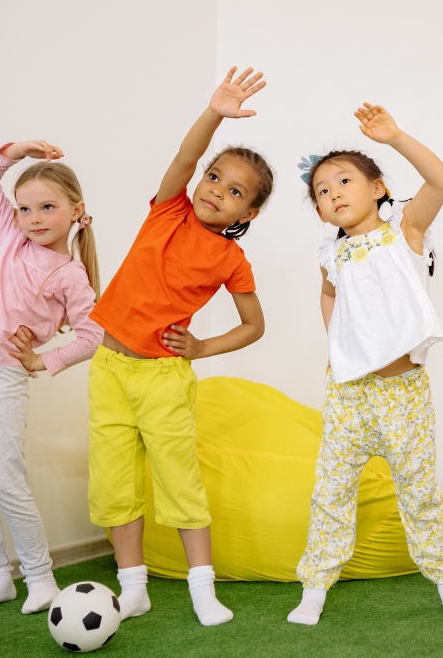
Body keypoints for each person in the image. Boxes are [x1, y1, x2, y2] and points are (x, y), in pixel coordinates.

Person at [86, 67, 274, 627]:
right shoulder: (168, 209)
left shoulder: (231, 260)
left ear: (249, 214)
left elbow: (253, 325)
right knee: (114, 482)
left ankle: (201, 590)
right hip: (109, 368)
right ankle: (133, 586)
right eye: (216, 178)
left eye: (235, 191)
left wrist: (200, 347)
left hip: (163, 378)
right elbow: (184, 160)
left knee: (178, 480)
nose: (216, 190)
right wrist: (215, 111)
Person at [288, 104, 443, 626]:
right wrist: (337, 348)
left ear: (377, 188)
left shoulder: (406, 233)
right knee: (331, 491)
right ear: (322, 212)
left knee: (418, 490)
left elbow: (440, 181)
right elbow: (328, 297)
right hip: (348, 393)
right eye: (322, 192)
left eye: (343, 181)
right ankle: (315, 586)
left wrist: (394, 136)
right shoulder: (332, 254)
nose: (332, 194)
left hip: (403, 391)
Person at [0, 141, 102, 614]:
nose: (33, 218)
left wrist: (43, 361)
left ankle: (40, 578)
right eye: (26, 208)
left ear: (76, 211)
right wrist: (17, 151)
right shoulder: (11, 238)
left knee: (5, 483)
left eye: (47, 207)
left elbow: (94, 334)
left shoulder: (69, 273)